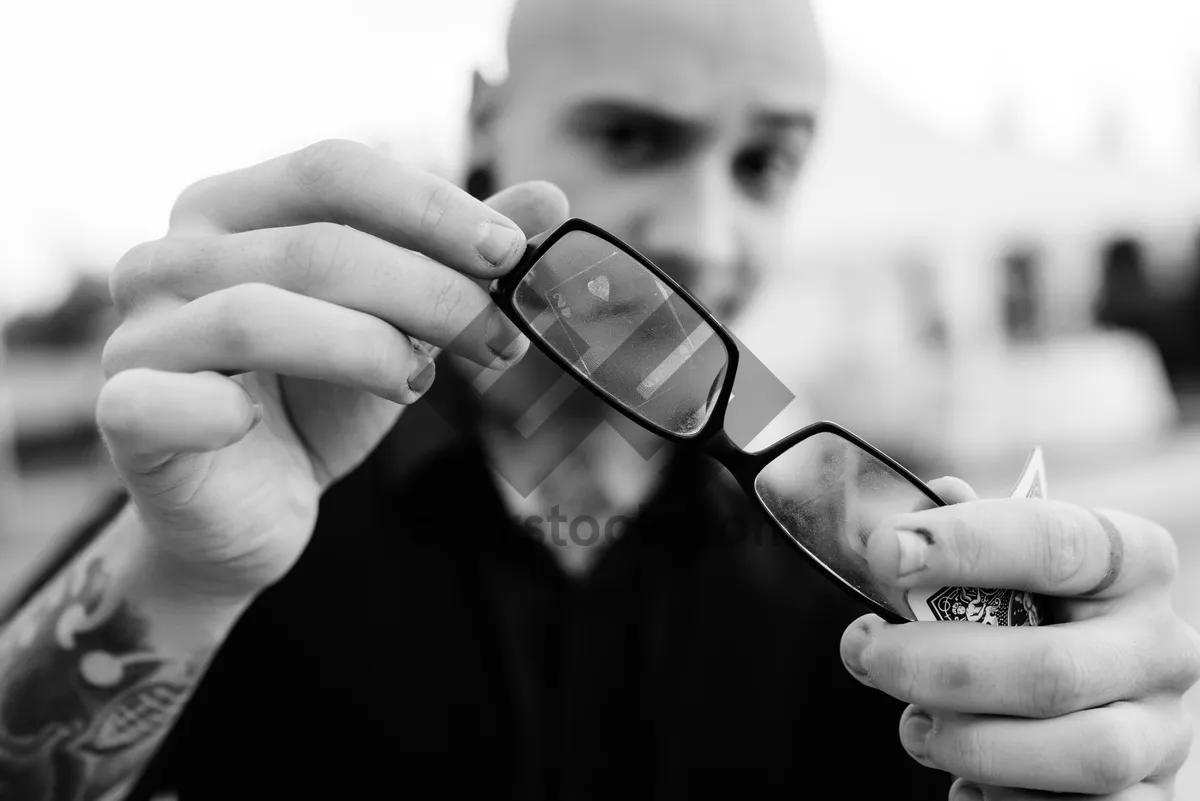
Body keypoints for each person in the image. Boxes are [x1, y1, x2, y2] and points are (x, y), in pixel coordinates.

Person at [2, 0, 1198, 799]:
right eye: (632, 136)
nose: (707, 233)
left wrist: (1085, 728)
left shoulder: (870, 558)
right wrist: (182, 575)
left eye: (764, 163)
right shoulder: (243, 482)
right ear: (484, 118)